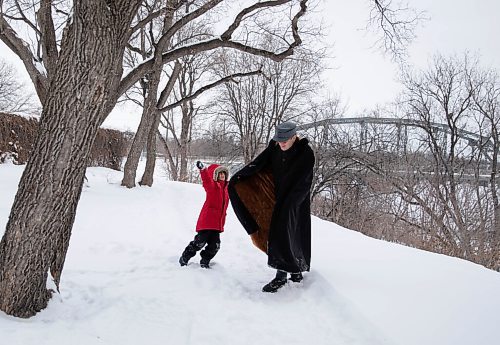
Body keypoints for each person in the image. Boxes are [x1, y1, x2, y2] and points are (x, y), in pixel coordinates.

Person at [228, 121, 315, 292]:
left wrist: (290, 205)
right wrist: (239, 178)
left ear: (293, 137)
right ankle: (286, 273)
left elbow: (304, 183)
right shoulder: (275, 147)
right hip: (275, 197)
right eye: (279, 140)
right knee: (278, 234)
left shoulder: (305, 153)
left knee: (293, 235)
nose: (281, 143)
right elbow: (259, 164)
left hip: (297, 200)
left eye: (285, 140)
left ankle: (291, 272)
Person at [179, 161, 230, 268]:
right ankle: (185, 257)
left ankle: (205, 261)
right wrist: (203, 170)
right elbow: (207, 180)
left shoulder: (227, 190)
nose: (222, 175)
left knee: (215, 246)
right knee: (199, 243)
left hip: (217, 224)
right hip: (207, 222)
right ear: (215, 176)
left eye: (224, 174)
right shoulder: (213, 187)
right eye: (220, 174)